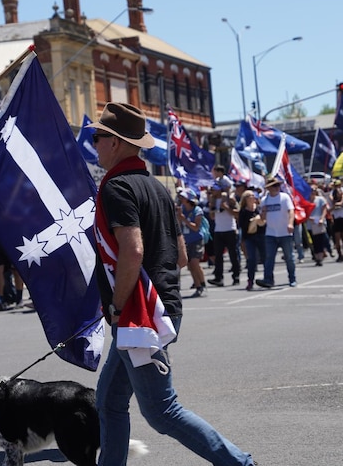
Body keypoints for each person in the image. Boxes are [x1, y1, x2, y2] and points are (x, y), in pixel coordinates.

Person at [88, 103, 256, 466]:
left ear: (116, 143)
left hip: (139, 316)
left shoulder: (116, 187)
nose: (94, 144)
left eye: (97, 137)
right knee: (109, 402)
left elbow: (132, 251)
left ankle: (240, 463)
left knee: (162, 411)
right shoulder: (157, 188)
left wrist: (117, 305)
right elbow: (180, 256)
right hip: (155, 309)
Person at [256, 178, 297, 288]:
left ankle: (292, 278)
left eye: (278, 185)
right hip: (271, 233)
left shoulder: (284, 197)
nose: (277, 187)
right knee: (269, 258)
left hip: (284, 233)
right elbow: (262, 218)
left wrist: (290, 223)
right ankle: (268, 279)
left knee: (289, 257)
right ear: (269, 188)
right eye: (274, 186)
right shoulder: (265, 200)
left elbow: (291, 211)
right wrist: (262, 210)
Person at [207, 176, 241, 286]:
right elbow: (212, 217)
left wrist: (225, 207)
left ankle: (236, 276)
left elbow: (236, 213)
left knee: (233, 255)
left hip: (230, 229)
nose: (213, 191)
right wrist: (211, 208)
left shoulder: (228, 199)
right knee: (218, 256)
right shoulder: (213, 200)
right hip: (218, 230)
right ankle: (218, 278)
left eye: (215, 189)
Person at [176, 189, 208, 297]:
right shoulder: (181, 209)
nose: (181, 199)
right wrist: (179, 217)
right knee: (190, 265)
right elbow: (179, 226)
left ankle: (202, 283)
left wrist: (184, 219)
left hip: (196, 240)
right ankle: (198, 285)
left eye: (184, 197)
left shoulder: (197, 210)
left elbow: (195, 228)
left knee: (195, 263)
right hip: (186, 240)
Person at [237, 189, 264, 290]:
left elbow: (264, 221)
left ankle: (268, 278)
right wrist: (252, 222)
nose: (253, 197)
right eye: (250, 196)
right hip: (249, 237)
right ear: (245, 199)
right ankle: (250, 281)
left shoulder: (259, 209)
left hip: (261, 235)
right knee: (251, 259)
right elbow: (242, 225)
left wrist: (259, 220)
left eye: (253, 196)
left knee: (265, 257)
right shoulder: (243, 211)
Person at [306, 187, 330, 266]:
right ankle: (316, 257)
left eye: (314, 190)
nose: (312, 192)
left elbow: (324, 209)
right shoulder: (306, 201)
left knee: (321, 240)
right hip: (310, 224)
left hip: (319, 222)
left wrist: (322, 219)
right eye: (311, 191)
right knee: (314, 241)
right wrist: (309, 218)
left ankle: (320, 257)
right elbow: (304, 211)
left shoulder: (320, 199)